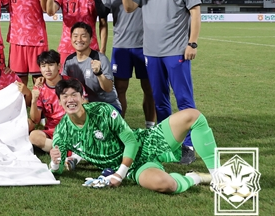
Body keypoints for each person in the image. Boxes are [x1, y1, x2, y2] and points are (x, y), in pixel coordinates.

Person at [49, 79, 217, 194]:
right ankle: (194, 177)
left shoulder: (102, 110)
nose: (70, 99)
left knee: (193, 116)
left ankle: (218, 176)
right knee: (168, 185)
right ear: (59, 101)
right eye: (64, 96)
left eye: (74, 95)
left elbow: (130, 140)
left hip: (145, 142)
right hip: (134, 167)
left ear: (82, 97)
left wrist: (119, 174)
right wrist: (54, 162)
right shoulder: (62, 132)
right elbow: (59, 169)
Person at [121, 0, 202, 164]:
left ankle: (188, 144)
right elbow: (128, 7)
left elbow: (195, 13)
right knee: (160, 99)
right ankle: (169, 140)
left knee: (184, 99)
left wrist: (192, 43)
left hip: (176, 51)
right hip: (151, 52)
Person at [94, 0, 156, 127]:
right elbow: (102, 14)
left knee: (149, 90)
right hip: (121, 47)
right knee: (120, 89)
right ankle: (120, 127)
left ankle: (150, 128)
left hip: (146, 46)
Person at [2, 0, 49, 84]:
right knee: (18, 80)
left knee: (39, 79)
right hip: (17, 38)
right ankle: (21, 106)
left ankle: (39, 105)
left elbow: (46, 9)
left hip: (37, 38)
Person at [62, 22, 120, 110]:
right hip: (84, 106)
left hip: (106, 106)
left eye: (84, 36)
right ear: (71, 38)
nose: (79, 39)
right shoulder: (69, 60)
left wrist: (99, 73)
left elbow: (108, 88)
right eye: (75, 36)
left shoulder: (100, 59)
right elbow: (63, 85)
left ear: (91, 39)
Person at [29, 50, 71, 153]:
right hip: (52, 130)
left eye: (51, 65)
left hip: (72, 127)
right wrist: (34, 101)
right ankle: (65, 151)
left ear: (59, 66)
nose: (47, 69)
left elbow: (85, 107)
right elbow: (35, 120)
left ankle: (63, 150)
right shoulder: (39, 88)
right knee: (34, 136)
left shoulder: (71, 83)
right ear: (40, 68)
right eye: (43, 66)